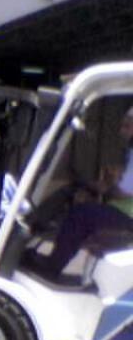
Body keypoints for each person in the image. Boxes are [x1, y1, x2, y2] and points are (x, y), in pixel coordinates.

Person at [25, 106, 133, 279]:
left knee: (80, 214)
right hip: (123, 211)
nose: (122, 131)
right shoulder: (129, 153)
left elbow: (124, 192)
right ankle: (47, 249)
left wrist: (103, 187)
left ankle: (52, 266)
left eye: (127, 126)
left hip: (127, 217)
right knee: (79, 200)